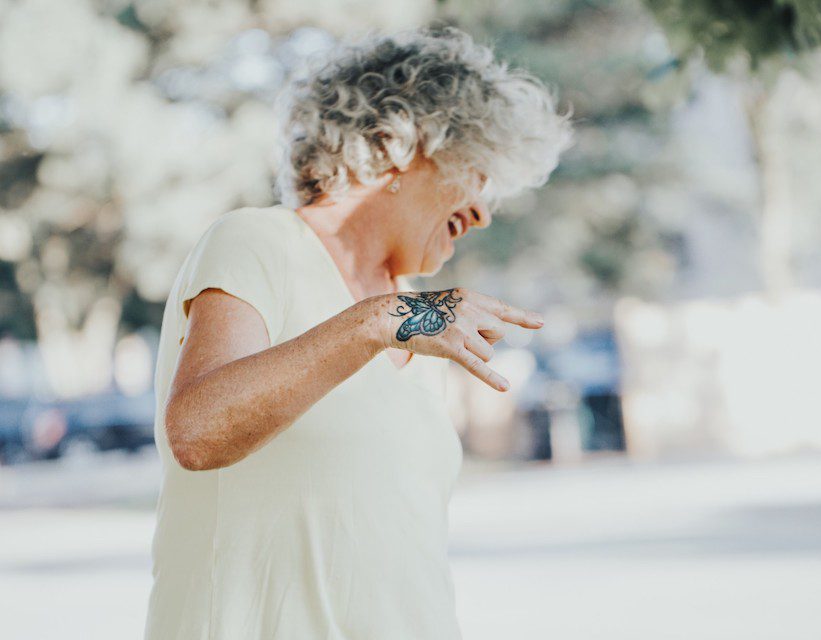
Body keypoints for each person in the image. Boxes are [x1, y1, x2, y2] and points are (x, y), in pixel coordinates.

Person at [144, 23, 574, 640]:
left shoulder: (413, 315)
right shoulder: (259, 241)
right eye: (477, 170)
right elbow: (197, 432)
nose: (482, 212)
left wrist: (395, 317)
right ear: (397, 142)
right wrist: (383, 322)